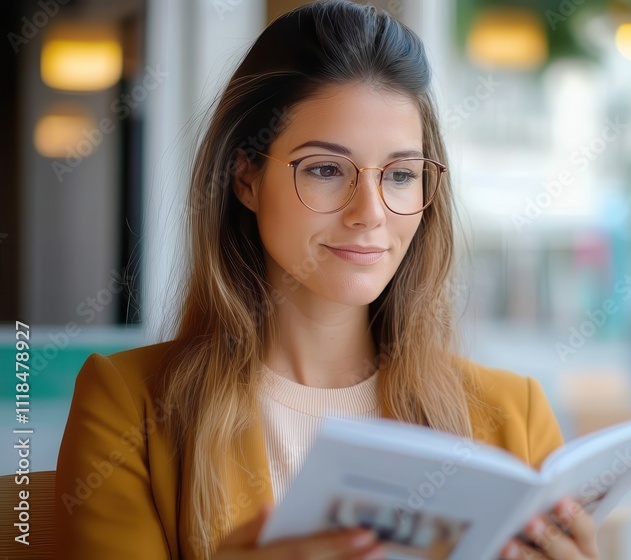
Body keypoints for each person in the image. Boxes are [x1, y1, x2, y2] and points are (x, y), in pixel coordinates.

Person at [53, 2, 600, 559]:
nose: (370, 213)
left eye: (402, 174)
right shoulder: (128, 405)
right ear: (245, 177)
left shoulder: (514, 416)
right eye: (325, 169)